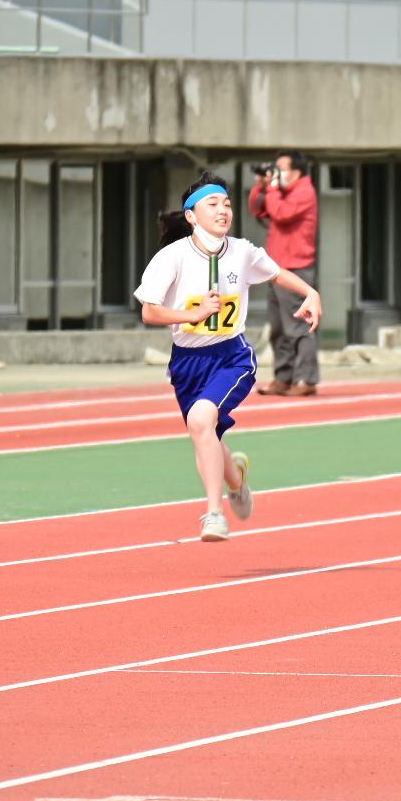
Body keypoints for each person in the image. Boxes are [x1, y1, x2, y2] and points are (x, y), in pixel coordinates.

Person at [137, 173, 324, 543]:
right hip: (187, 362)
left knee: (201, 420)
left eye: (226, 204)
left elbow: (276, 273)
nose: (223, 211)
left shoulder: (241, 251)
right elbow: (150, 312)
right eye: (213, 205)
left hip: (231, 357)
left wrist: (310, 292)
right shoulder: (171, 258)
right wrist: (190, 315)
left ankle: (213, 514)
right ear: (191, 216)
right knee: (205, 431)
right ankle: (236, 480)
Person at [246, 151, 321, 397]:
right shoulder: (282, 193)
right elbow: (258, 210)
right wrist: (262, 187)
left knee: (299, 327)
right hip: (276, 268)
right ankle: (284, 377)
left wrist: (274, 188)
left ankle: (306, 379)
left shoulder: (304, 191)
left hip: (296, 268)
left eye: (281, 169)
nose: (277, 174)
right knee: (279, 328)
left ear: (296, 171)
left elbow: (281, 213)